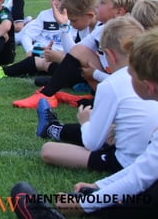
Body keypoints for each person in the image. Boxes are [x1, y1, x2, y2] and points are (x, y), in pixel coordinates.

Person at [11, 28, 158, 218]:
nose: (126, 76)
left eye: (131, 73)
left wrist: (83, 205)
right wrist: (98, 186)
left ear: (149, 86)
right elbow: (146, 167)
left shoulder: (112, 86)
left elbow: (139, 177)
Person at [37, 16, 158, 174]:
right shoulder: (150, 75)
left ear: (109, 54)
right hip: (150, 153)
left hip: (131, 162)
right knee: (110, 131)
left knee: (48, 150)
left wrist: (85, 122)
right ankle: (52, 127)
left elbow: (92, 143)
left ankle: (51, 128)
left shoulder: (112, 84)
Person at [12, 0, 146, 109]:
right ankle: (48, 94)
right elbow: (74, 52)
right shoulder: (103, 28)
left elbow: (127, 81)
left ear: (119, 11)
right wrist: (64, 26)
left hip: (130, 92)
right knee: (81, 52)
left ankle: (60, 97)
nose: (97, 6)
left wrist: (96, 74)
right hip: (112, 84)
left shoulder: (127, 35)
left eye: (102, 3)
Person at [0, 0, 79, 80]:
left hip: (62, 57)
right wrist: (29, 50)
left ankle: (14, 69)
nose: (54, 3)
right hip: (41, 54)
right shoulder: (44, 15)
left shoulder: (76, 19)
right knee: (34, 60)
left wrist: (60, 55)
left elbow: (76, 47)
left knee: (55, 70)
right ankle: (4, 71)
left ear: (72, 0)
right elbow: (27, 35)